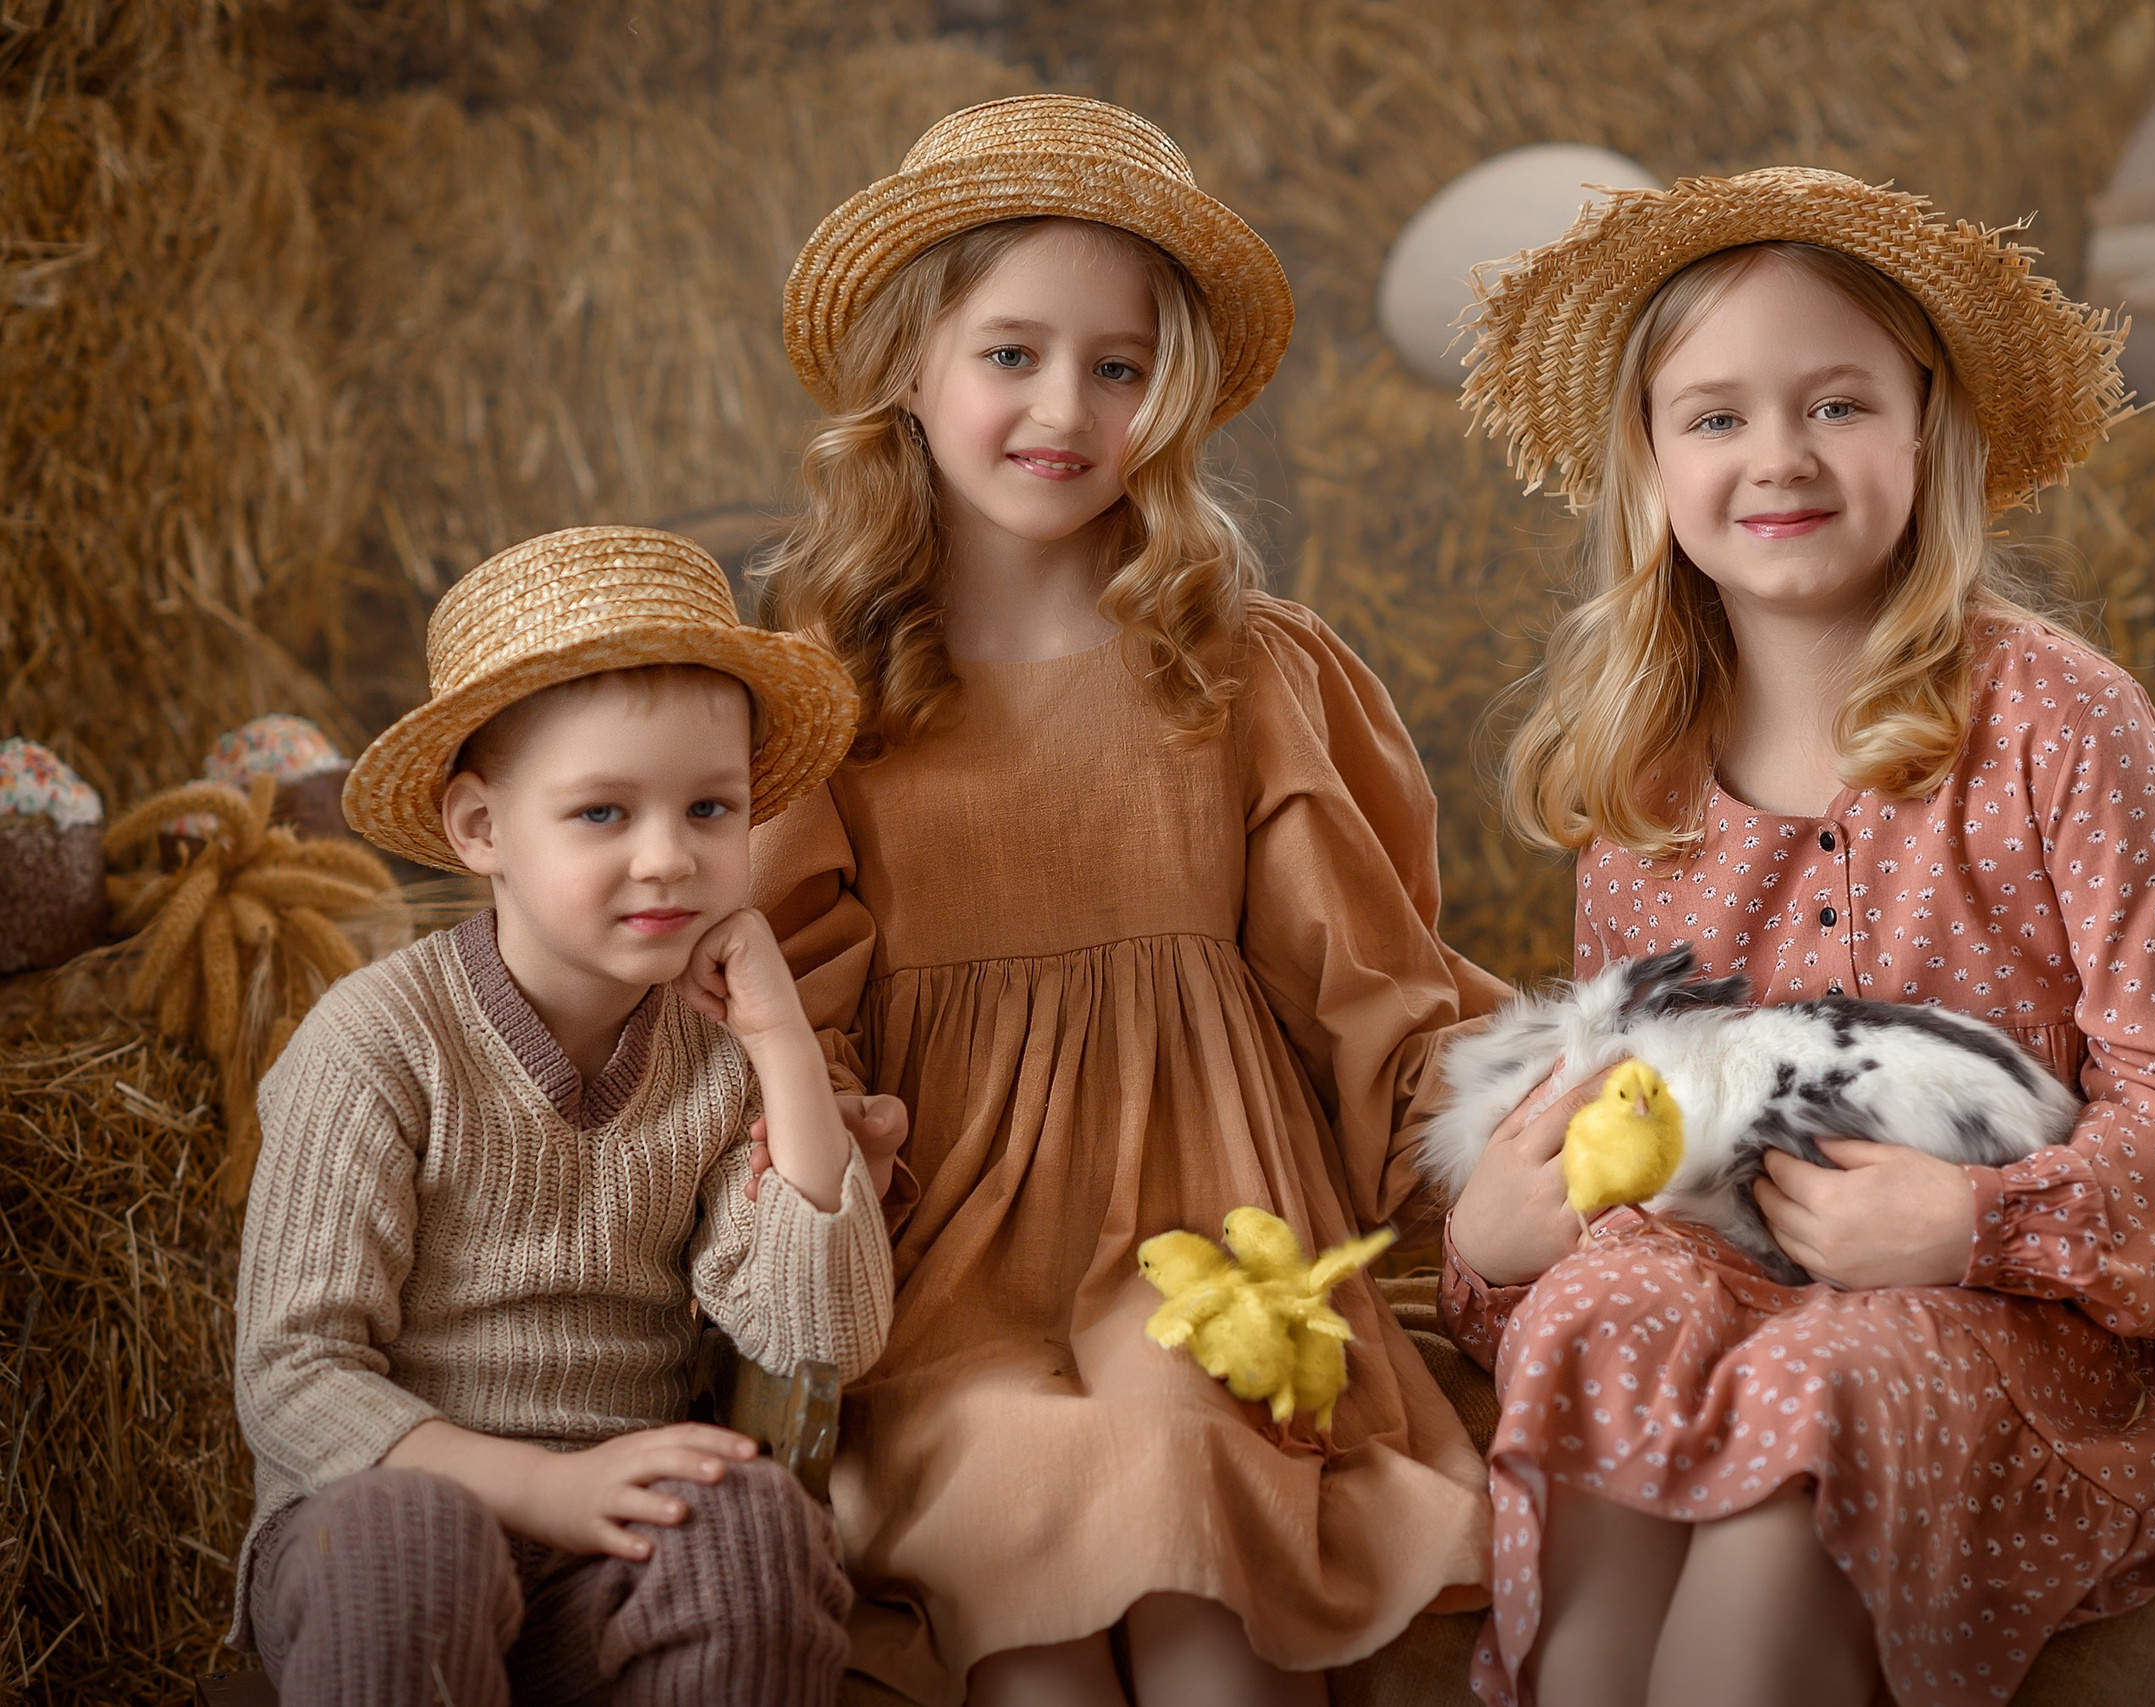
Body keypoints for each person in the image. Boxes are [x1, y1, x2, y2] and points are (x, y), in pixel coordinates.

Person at [1438, 169, 2155, 1707]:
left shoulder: (2057, 721)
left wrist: (1976, 1225)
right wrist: (1493, 1245)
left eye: (1836, 403)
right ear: (1649, 459)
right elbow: (1641, 1135)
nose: (1778, 457)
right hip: (1724, 1275)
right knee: (1607, 1307)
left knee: (1833, 1376)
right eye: (1716, 417)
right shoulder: (1646, 774)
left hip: (1996, 1310)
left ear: (1926, 428)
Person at [751, 95, 1503, 1707]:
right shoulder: (820, 702)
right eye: (1010, 353)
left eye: (1120, 365)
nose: (1065, 408)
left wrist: (1499, 1146)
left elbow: (1362, 972)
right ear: (908, 365)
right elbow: (781, 1010)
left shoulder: (1239, 666)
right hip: (948, 1270)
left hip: (1215, 1243)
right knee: (1023, 1522)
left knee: (1186, 1484)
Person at [231, 525, 899, 1704]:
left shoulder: (720, 1051)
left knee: (752, 1528)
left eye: (710, 810)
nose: (668, 860)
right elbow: (292, 1372)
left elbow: (826, 1333)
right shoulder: (378, 1043)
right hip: (383, 1531)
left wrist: (784, 1047)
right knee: (409, 1544)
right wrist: (541, 1490)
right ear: (480, 828)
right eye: (603, 814)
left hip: (609, 1554)